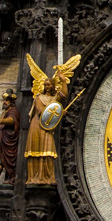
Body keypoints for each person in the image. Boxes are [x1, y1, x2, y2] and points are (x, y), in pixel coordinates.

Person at [24, 53, 81, 185]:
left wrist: (62, 80)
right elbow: (40, 111)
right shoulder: (39, 98)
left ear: (53, 85)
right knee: (36, 149)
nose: (47, 86)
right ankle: (34, 177)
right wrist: (59, 112)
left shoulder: (54, 99)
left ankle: (48, 177)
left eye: (49, 85)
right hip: (37, 125)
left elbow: (64, 95)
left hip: (48, 127)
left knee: (48, 150)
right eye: (46, 85)